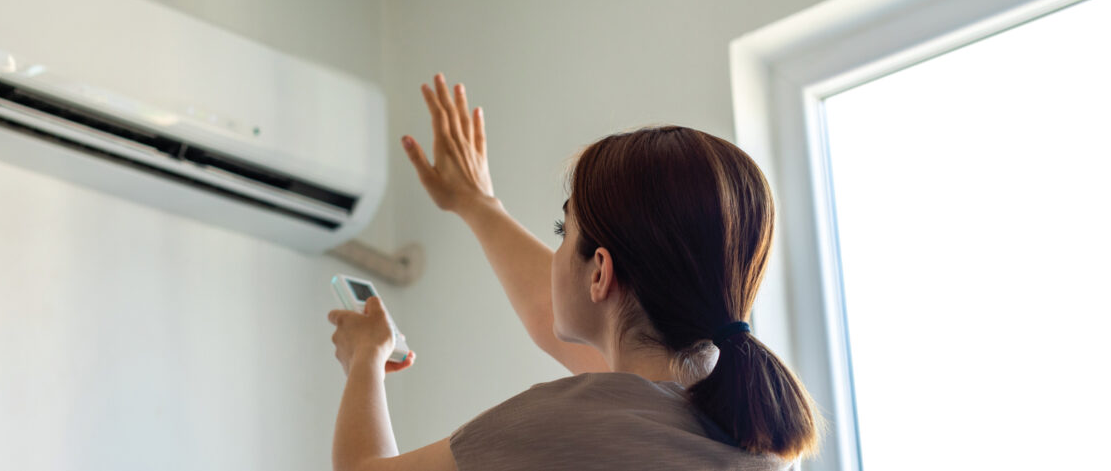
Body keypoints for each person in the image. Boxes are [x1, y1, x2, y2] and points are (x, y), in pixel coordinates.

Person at [326, 74, 822, 471]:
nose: (555, 253)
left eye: (563, 232)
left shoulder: (550, 427)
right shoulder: (757, 429)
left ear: (600, 272)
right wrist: (476, 204)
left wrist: (365, 357)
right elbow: (568, 324)